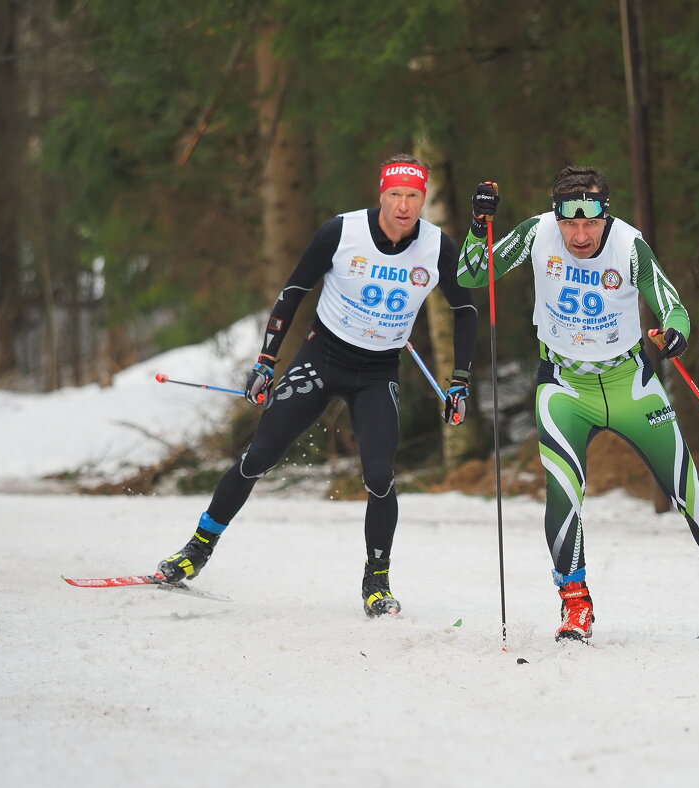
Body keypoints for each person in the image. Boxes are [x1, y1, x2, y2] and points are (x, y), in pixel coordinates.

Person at [456, 167, 699, 642]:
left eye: (590, 223)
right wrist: (476, 225)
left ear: (604, 215)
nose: (581, 235)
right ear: (557, 216)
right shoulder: (537, 233)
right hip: (565, 388)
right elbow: (472, 273)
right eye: (570, 223)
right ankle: (575, 605)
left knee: (687, 490)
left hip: (630, 384)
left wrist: (677, 334)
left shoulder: (629, 245)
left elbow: (673, 307)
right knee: (563, 494)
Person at [158, 154, 477, 617]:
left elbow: (464, 311)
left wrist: (460, 382)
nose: (404, 206)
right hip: (322, 358)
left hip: (378, 371)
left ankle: (377, 582)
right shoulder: (340, 232)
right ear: (380, 195)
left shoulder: (437, 246)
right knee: (258, 457)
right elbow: (293, 291)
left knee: (379, 477)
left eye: (413, 197)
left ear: (423, 199)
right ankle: (197, 549)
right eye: (395, 195)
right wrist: (266, 362)